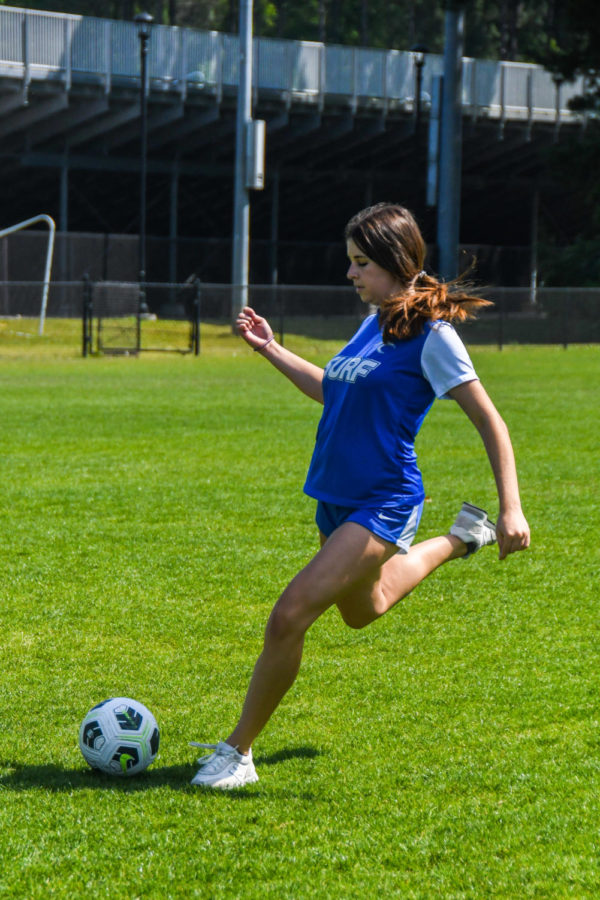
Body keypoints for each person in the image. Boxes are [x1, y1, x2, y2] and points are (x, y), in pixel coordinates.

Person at [190, 202, 530, 789]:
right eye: (350, 262)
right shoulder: (375, 320)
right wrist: (271, 349)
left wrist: (513, 506)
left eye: (361, 263)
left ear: (397, 262)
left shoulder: (434, 336)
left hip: (386, 498)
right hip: (336, 496)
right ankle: (459, 538)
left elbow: (491, 422)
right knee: (362, 611)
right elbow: (335, 391)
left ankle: (237, 753)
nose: (351, 274)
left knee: (289, 615)